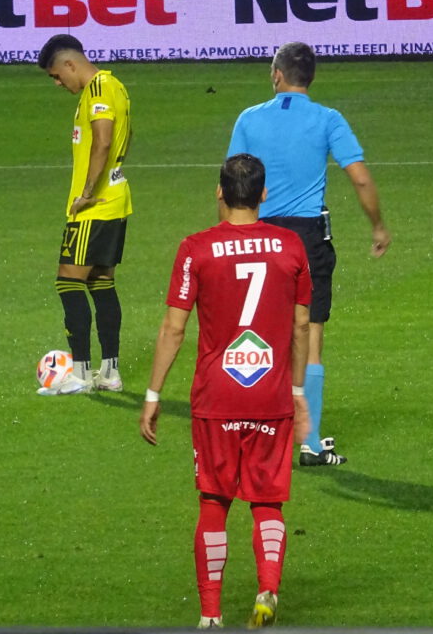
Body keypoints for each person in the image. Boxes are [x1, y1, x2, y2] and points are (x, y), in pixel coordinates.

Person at [140, 154, 312, 630]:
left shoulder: (195, 249)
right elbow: (301, 325)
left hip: (217, 397)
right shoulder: (290, 246)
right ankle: (267, 589)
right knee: (268, 502)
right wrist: (297, 390)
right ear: (263, 194)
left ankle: (211, 615)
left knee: (214, 503)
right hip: (269, 393)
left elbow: (174, 328)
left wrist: (153, 395)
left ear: (219, 191)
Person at [227, 42, 391, 466]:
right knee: (310, 334)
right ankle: (310, 442)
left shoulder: (249, 118)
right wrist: (377, 226)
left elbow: (228, 187)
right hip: (306, 238)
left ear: (277, 75)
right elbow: (360, 179)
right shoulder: (328, 119)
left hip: (258, 236)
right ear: (310, 78)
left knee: (259, 336)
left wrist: (229, 240)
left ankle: (259, 436)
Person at [37, 34, 131, 394]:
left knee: (68, 281)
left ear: (69, 64)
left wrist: (87, 193)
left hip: (95, 207)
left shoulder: (98, 89)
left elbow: (103, 141)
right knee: (101, 282)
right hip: (116, 200)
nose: (58, 83)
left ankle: (78, 374)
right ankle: (110, 373)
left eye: (56, 76)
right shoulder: (116, 87)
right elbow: (127, 136)